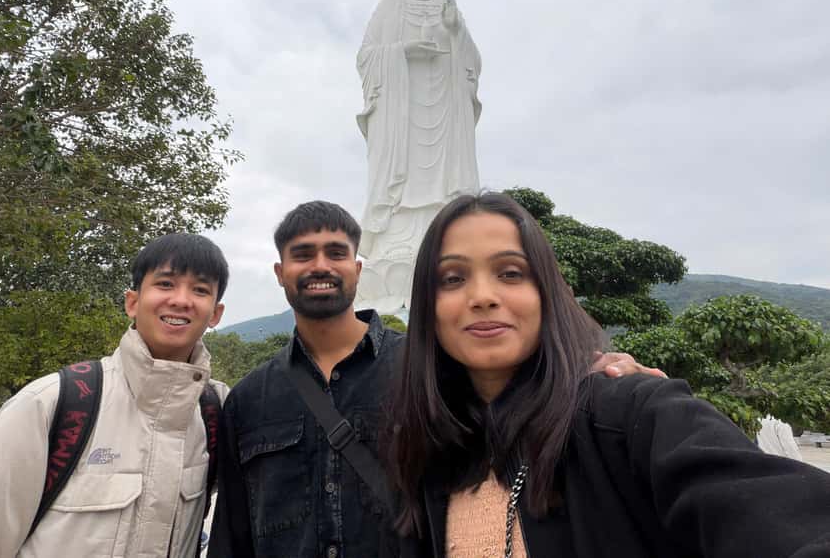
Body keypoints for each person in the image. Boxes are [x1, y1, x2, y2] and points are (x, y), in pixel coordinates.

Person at [207, 201, 663, 558]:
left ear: (358, 268)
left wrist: (590, 373)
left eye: (336, 253)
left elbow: (524, 404)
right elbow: (232, 532)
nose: (320, 266)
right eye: (302, 255)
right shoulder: (248, 400)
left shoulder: (431, 371)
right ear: (280, 272)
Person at [387, 192, 830, 557]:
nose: (482, 296)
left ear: (549, 296)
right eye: (452, 278)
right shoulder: (431, 452)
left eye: (510, 273)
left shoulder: (630, 414)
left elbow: (781, 516)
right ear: (428, 309)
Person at [0, 233, 230, 557]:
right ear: (132, 302)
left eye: (200, 290)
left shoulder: (215, 414)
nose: (182, 300)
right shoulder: (51, 404)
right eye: (165, 284)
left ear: (215, 313)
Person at [356, 0, 483, 311]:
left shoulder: (449, 9)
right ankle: (398, 244)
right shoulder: (389, 8)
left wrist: (455, 31)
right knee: (403, 184)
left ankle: (448, 238)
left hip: (444, 113)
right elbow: (366, 58)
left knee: (446, 184)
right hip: (401, 119)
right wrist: (403, 51)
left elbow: (472, 63)